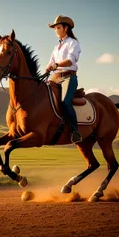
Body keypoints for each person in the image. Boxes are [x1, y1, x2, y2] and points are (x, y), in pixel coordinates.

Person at [46, 14, 82, 144]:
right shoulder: (56, 47)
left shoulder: (74, 43)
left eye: (58, 27)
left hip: (68, 77)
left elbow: (70, 60)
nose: (56, 30)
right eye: (55, 28)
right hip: (55, 78)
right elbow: (51, 62)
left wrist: (56, 65)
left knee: (66, 102)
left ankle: (75, 131)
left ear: (66, 28)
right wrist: (47, 68)